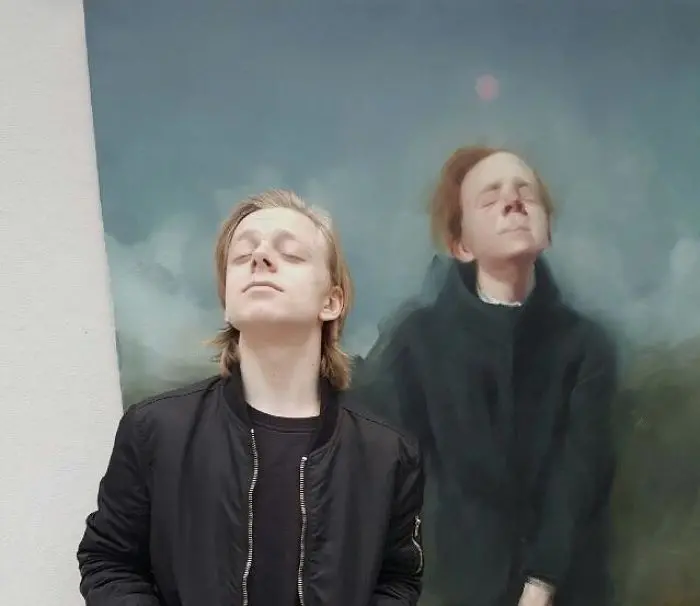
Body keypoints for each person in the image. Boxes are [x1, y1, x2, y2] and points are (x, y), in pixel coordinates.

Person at [77, 189, 425, 606]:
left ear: (332, 301)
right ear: (227, 301)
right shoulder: (154, 430)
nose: (260, 257)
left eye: (290, 254)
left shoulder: (388, 453)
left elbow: (398, 580)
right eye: (243, 256)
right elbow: (108, 562)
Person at [354, 147, 618, 606]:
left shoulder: (586, 346)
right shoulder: (416, 342)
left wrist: (541, 583)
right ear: (462, 245)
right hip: (448, 589)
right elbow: (383, 475)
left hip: (569, 590)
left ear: (547, 228)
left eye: (526, 194)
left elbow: (578, 476)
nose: (513, 202)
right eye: (490, 198)